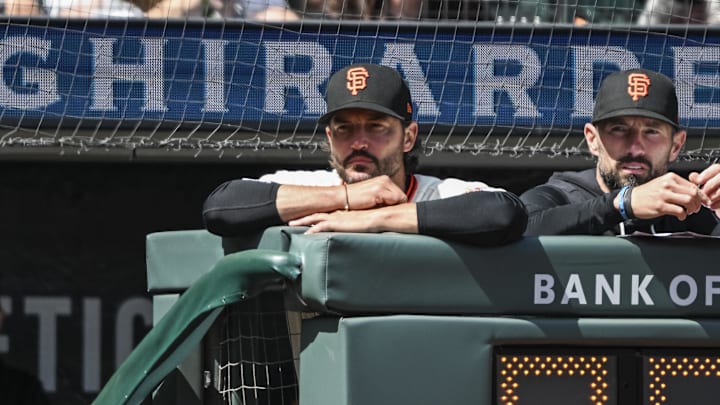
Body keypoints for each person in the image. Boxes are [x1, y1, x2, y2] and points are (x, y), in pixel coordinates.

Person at [203, 63, 527, 246]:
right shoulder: (310, 187)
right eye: (344, 128)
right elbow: (221, 207)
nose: (359, 142)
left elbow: (504, 213)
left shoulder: (438, 193)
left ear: (408, 137)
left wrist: (371, 218)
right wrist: (344, 197)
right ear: (329, 138)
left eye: (376, 127)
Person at [520, 68, 720, 236]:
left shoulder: (693, 208)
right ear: (592, 139)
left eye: (651, 131)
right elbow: (520, 227)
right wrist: (623, 204)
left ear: (676, 145)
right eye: (619, 129)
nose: (635, 147)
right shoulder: (563, 196)